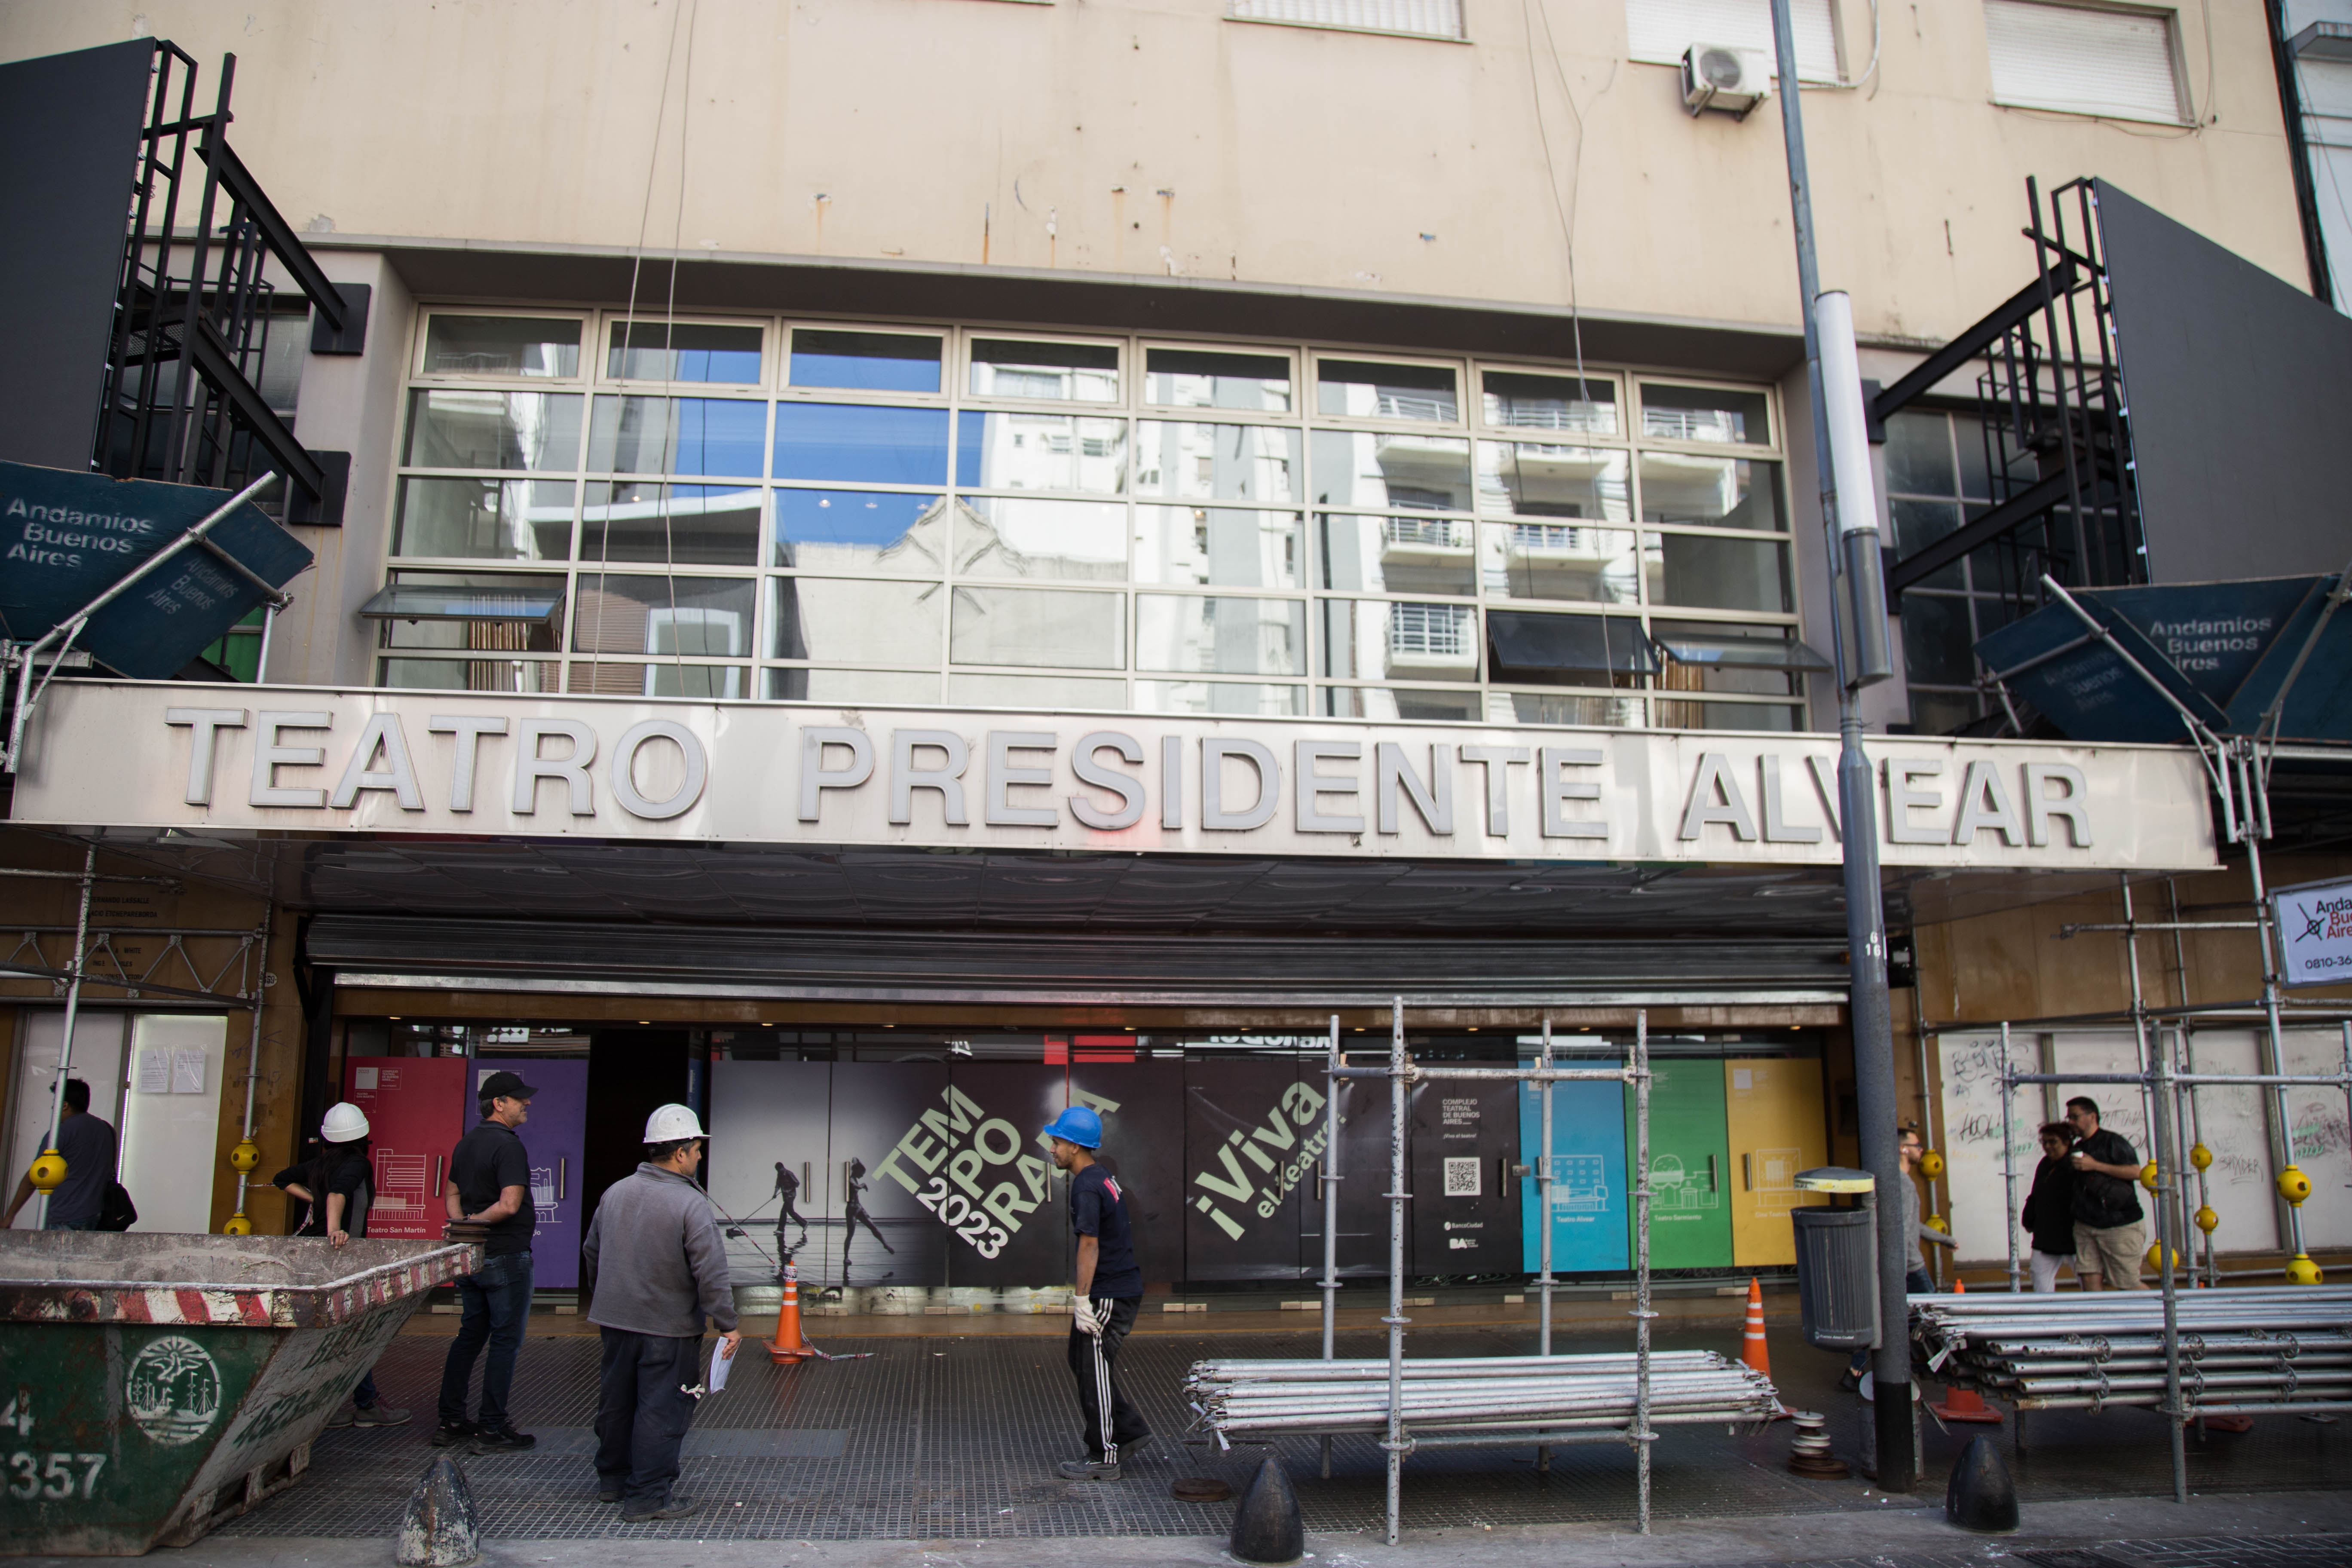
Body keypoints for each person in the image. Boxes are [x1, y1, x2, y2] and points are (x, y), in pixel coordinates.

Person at [582, 1104, 741, 1524]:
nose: (700, 1158)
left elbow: (592, 1252)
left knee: (617, 1402)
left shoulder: (615, 1193)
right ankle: (649, 1496)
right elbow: (711, 1272)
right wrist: (727, 1323)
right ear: (681, 1153)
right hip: (668, 1330)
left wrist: (609, 1299)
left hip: (615, 1323)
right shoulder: (689, 1203)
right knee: (662, 1409)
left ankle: (613, 1481)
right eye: (698, 1150)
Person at [275, 1101, 410, 1427]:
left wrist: (315, 1201)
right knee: (355, 1333)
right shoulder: (358, 1163)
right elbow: (339, 1193)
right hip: (340, 1257)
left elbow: (282, 1179)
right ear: (363, 1136)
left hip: (312, 1254)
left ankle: (327, 1407)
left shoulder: (320, 1164)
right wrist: (335, 1229)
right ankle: (365, 1404)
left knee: (328, 1334)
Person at [434, 1069, 539, 1452]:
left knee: (470, 1335)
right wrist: (476, 1225)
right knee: (505, 1341)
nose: (527, 1103)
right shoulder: (508, 1146)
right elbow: (510, 1205)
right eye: (519, 1098)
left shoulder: (467, 1142)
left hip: (472, 1257)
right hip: (506, 1256)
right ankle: (492, 1428)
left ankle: (451, 1421)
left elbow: (451, 1193)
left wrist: (464, 1229)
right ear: (499, 1104)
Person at [1042, 1105, 1148, 1481]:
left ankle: (1105, 1455)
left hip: (1108, 1292)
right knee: (1083, 1362)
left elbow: (1090, 1244)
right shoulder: (1101, 1176)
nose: (1052, 1149)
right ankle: (1129, 1430)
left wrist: (1082, 1299)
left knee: (1094, 1369)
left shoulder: (1086, 1186)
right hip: (1116, 1288)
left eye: (1057, 1142)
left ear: (1074, 1146)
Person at [1843, 1125, 1956, 1390]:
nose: (1922, 1150)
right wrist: (1900, 1268)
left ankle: (1855, 1370)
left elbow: (1911, 1224)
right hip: (1908, 1264)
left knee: (1882, 1315)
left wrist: (1944, 1240)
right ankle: (1946, 1365)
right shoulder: (1903, 1184)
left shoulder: (1896, 1181)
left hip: (1899, 1262)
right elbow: (1903, 1229)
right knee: (1933, 1313)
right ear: (1903, 1149)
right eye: (1917, 1146)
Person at [3, 1078, 117, 1232]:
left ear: (64, 1106)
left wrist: (10, 1216)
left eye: (54, 1102)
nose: (52, 1107)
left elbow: (35, 1177)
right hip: (96, 1215)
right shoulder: (106, 1129)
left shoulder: (60, 1133)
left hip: (64, 1215)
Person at [2064, 1096, 2147, 1291]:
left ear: (2092, 1117)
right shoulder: (2078, 1147)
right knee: (2089, 1278)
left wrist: (2096, 1166)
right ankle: (2096, 1312)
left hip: (2119, 1223)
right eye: (2069, 1118)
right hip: (2086, 1224)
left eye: (2075, 1117)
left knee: (2127, 1283)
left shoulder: (2113, 1142)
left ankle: (2161, 1309)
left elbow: (2136, 1172)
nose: (2071, 1122)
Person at [2020, 1121, 2079, 1293]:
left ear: (2067, 1143)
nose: (2047, 1147)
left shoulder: (2075, 1164)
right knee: (2039, 1275)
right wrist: (2029, 1219)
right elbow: (2036, 1195)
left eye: (2053, 1142)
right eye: (2044, 1142)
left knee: (2085, 1276)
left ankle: (2096, 1308)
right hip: (2046, 1234)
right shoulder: (2045, 1163)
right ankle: (2046, 1307)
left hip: (2073, 1233)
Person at [839, 1155, 893, 1286]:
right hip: (852, 1210)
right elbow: (855, 1187)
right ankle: (846, 1257)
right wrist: (862, 1185)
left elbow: (857, 1162)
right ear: (857, 1171)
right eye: (862, 1174)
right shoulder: (851, 1180)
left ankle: (885, 1244)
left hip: (859, 1208)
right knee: (850, 1234)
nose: (863, 1176)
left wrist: (856, 1160)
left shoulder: (855, 1177)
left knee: (873, 1227)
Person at [773, 1159, 808, 1259]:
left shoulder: (789, 1173)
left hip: (791, 1196)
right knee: (790, 1212)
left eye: (779, 1170)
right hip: (786, 1197)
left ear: (782, 1168)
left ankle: (781, 1229)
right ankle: (804, 1223)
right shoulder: (780, 1175)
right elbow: (778, 1185)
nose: (778, 1172)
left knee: (784, 1211)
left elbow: (797, 1183)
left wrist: (788, 1189)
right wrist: (775, 1194)